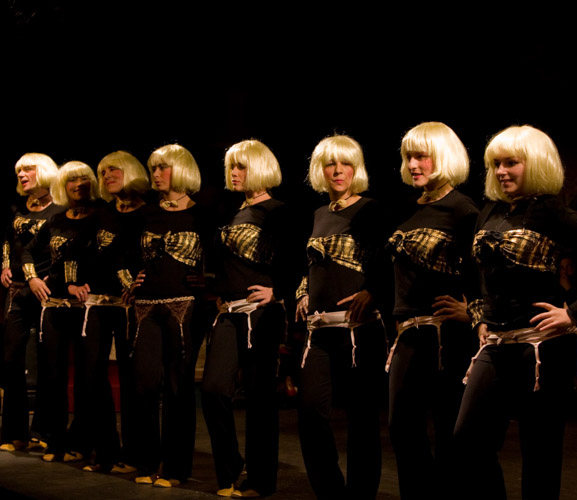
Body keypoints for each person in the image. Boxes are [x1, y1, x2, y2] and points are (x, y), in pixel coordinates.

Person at [453, 125, 577, 499]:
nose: (501, 171)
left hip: (543, 347)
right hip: (496, 344)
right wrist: (479, 315)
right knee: (468, 438)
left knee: (540, 456)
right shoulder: (490, 210)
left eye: (511, 163)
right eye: (496, 164)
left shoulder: (552, 211)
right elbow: (474, 270)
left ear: (535, 164)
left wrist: (573, 313)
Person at [385, 123, 479, 498]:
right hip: (408, 331)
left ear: (443, 157)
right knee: (401, 427)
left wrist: (473, 310)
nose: (413, 164)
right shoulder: (408, 207)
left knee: (447, 429)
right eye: (408, 157)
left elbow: (483, 270)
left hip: (445, 335)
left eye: (421, 156)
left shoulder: (463, 209)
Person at [295, 134, 389, 499]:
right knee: (310, 412)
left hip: (358, 330)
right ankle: (330, 492)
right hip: (318, 332)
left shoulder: (371, 210)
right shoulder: (319, 214)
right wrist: (303, 291)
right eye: (330, 164)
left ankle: (361, 494)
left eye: (345, 163)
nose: (337, 171)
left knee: (361, 419)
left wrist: (373, 291)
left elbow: (387, 261)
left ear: (356, 169)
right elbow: (311, 265)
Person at [201, 139, 291, 498]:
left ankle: (260, 480)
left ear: (260, 168)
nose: (234, 172)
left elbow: (297, 260)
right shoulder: (230, 211)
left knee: (259, 398)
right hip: (228, 312)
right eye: (231, 166)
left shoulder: (279, 212)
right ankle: (230, 468)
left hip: (261, 313)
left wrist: (278, 291)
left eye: (241, 166)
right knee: (213, 389)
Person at [129, 144, 205, 488]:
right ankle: (147, 461)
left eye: (163, 168)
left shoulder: (202, 215)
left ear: (182, 169)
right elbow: (119, 254)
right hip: (146, 307)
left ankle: (175, 467)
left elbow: (221, 254)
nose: (156, 174)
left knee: (178, 386)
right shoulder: (145, 215)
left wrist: (209, 280)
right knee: (144, 383)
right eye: (153, 168)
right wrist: (128, 280)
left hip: (185, 306)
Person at [23, 161, 101, 463]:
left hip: (86, 307)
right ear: (62, 185)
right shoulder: (56, 219)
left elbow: (103, 258)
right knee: (52, 375)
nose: (78, 185)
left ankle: (81, 441)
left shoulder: (100, 218)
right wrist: (32, 278)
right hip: (54, 305)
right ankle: (55, 440)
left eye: (83, 179)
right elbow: (27, 250)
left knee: (85, 377)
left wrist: (82, 282)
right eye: (71, 180)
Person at [77, 151, 150, 472]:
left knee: (132, 378)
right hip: (98, 303)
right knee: (91, 375)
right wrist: (73, 282)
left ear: (131, 171)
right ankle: (105, 450)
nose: (106, 176)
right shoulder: (101, 215)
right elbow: (77, 251)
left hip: (131, 305)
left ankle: (134, 455)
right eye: (103, 172)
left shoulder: (149, 214)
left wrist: (138, 282)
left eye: (113, 170)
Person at [0, 153, 63, 452]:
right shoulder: (17, 207)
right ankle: (15, 432)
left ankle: (44, 431)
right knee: (12, 359)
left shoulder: (60, 209)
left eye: (28, 169)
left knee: (49, 361)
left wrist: (52, 277)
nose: (22, 175)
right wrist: (4, 266)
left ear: (45, 171)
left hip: (45, 290)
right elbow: (8, 240)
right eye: (19, 171)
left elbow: (63, 248)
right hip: (17, 290)